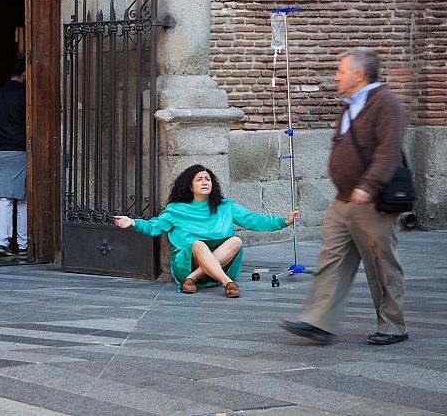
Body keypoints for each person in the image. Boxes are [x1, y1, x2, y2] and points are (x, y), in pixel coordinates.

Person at [282, 48, 408, 345]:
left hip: (371, 200)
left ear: (359, 74)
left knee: (381, 265)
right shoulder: (351, 104)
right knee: (332, 258)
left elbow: (389, 151)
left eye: (341, 70)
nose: (336, 76)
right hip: (344, 200)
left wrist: (369, 185)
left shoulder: (386, 104)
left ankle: (393, 326)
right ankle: (318, 322)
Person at [114, 165, 298, 297]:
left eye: (208, 179)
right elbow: (155, 226)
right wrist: (133, 222)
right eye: (199, 179)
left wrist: (284, 221)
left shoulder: (226, 206)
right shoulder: (176, 209)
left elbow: (252, 220)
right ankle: (227, 283)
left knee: (236, 241)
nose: (204, 182)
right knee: (199, 244)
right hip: (187, 262)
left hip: (219, 264)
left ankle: (192, 279)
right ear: (190, 185)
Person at [0, 61, 27, 257]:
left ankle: (2, 242)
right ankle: (24, 244)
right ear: (24, 74)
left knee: (4, 199)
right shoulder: (25, 95)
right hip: (20, 151)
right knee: (23, 199)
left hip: (0, 152)